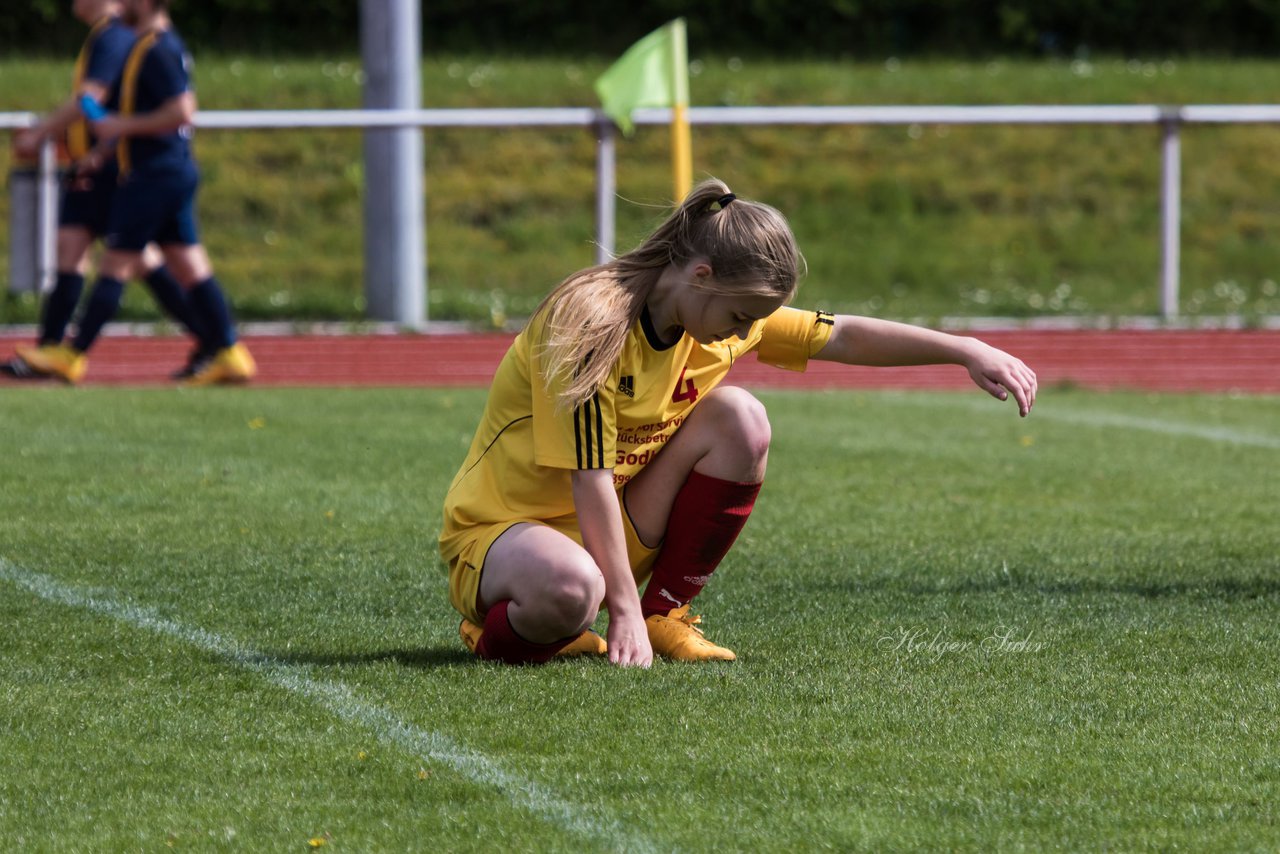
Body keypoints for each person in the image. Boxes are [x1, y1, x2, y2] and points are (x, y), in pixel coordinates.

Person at [439, 178, 1039, 668]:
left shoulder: (724, 314)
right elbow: (588, 478)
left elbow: (846, 333)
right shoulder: (591, 325)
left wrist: (965, 349)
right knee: (571, 590)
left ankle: (664, 614)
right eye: (739, 314)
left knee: (741, 418)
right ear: (701, 276)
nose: (742, 330)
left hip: (611, 527)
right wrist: (614, 608)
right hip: (503, 533)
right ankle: (494, 628)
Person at [2, 0, 208, 384]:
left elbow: (92, 103)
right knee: (77, 248)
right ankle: (50, 348)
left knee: (134, 258)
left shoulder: (115, 36)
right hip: (98, 164)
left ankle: (211, 339)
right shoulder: (106, 36)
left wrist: (54, 134)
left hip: (114, 170)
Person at [63, 0, 255, 386]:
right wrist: (104, 151)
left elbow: (183, 111)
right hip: (164, 170)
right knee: (190, 265)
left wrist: (120, 124)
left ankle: (70, 355)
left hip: (156, 175)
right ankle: (230, 352)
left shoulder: (160, 48)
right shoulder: (147, 44)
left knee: (116, 264)